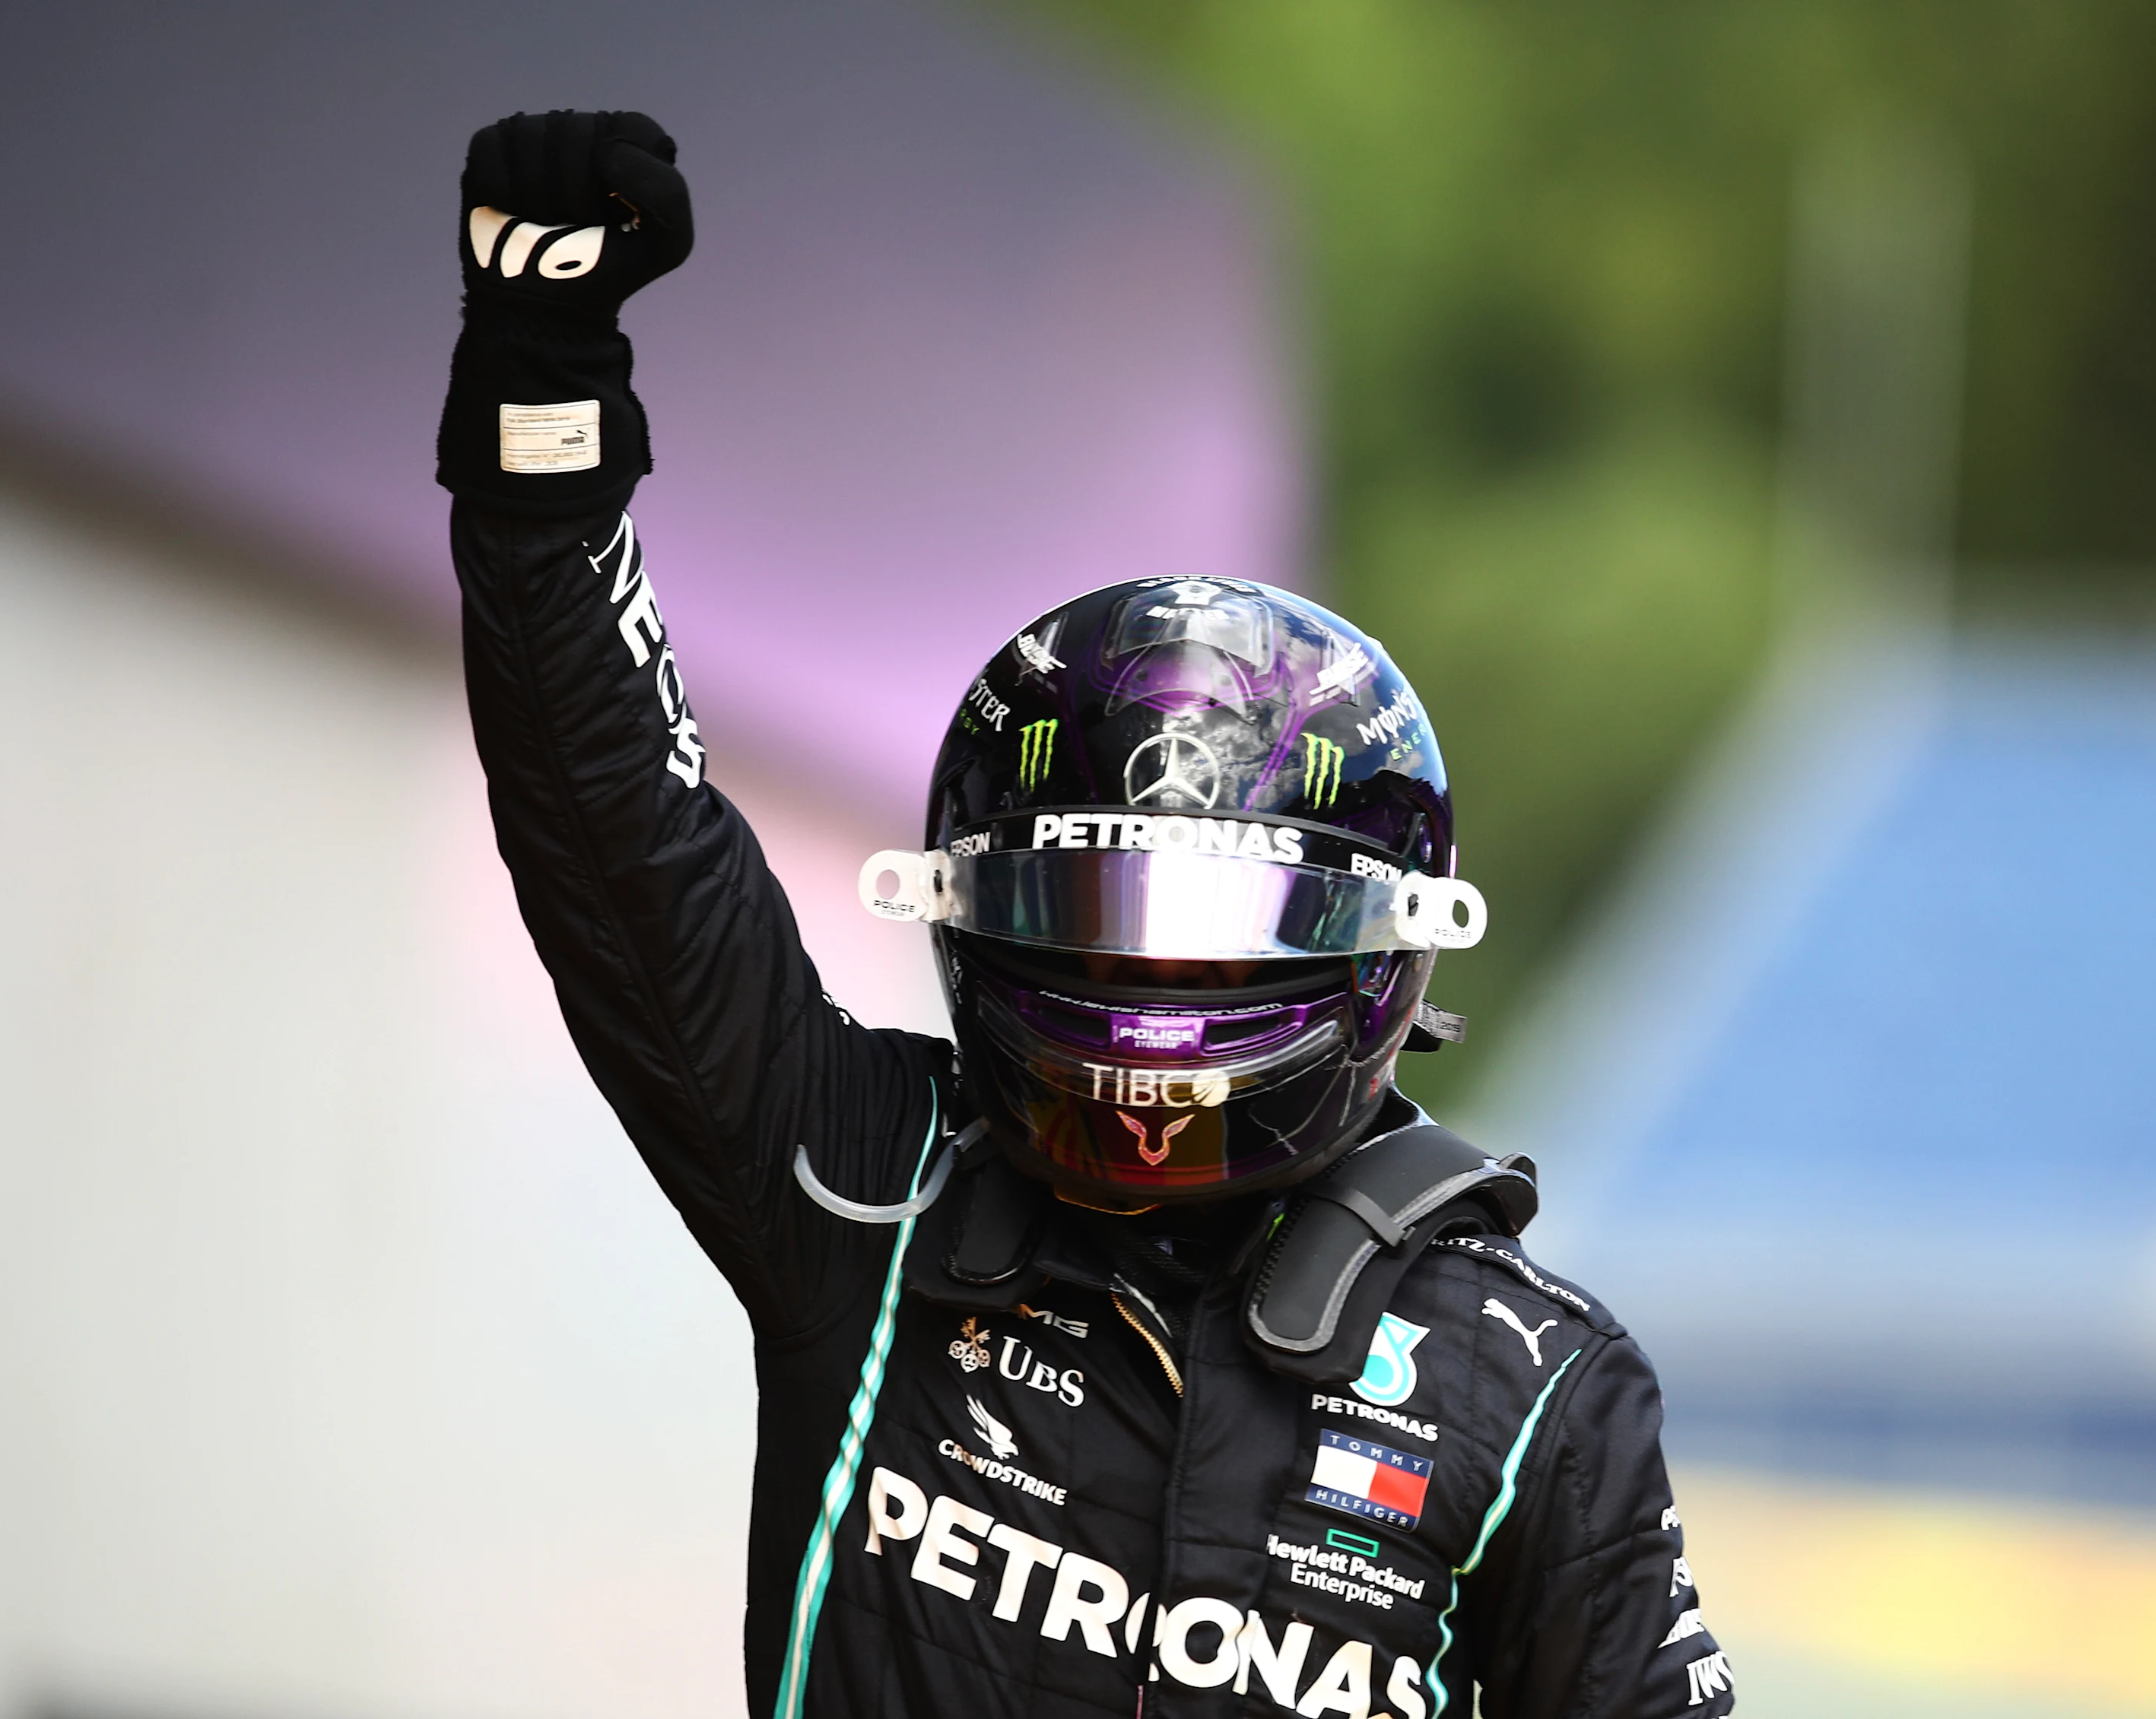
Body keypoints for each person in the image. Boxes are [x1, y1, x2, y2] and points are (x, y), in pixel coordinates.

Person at [437, 109, 1734, 1719]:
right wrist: (541, 393)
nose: (1156, 983)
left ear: (1378, 942)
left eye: (1223, 922)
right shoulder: (869, 1188)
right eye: (1098, 906)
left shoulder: (1536, 1387)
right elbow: (616, 846)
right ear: (984, 907)